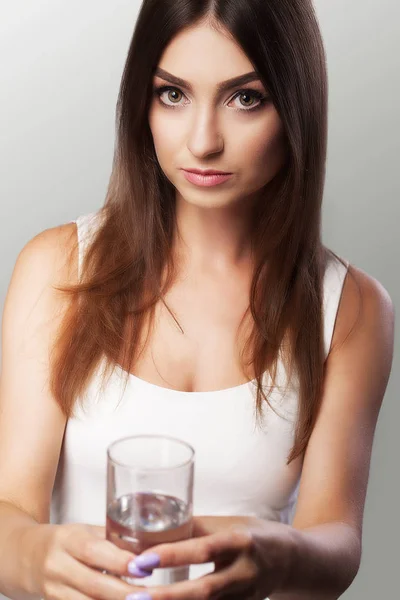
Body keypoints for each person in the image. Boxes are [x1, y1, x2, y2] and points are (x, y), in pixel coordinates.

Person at [0, 0, 395, 599]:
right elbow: (8, 510)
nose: (203, 142)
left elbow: (337, 538)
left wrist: (277, 553)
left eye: (246, 98)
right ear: (142, 103)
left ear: (295, 107)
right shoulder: (58, 269)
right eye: (173, 95)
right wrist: (35, 557)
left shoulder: (353, 308)